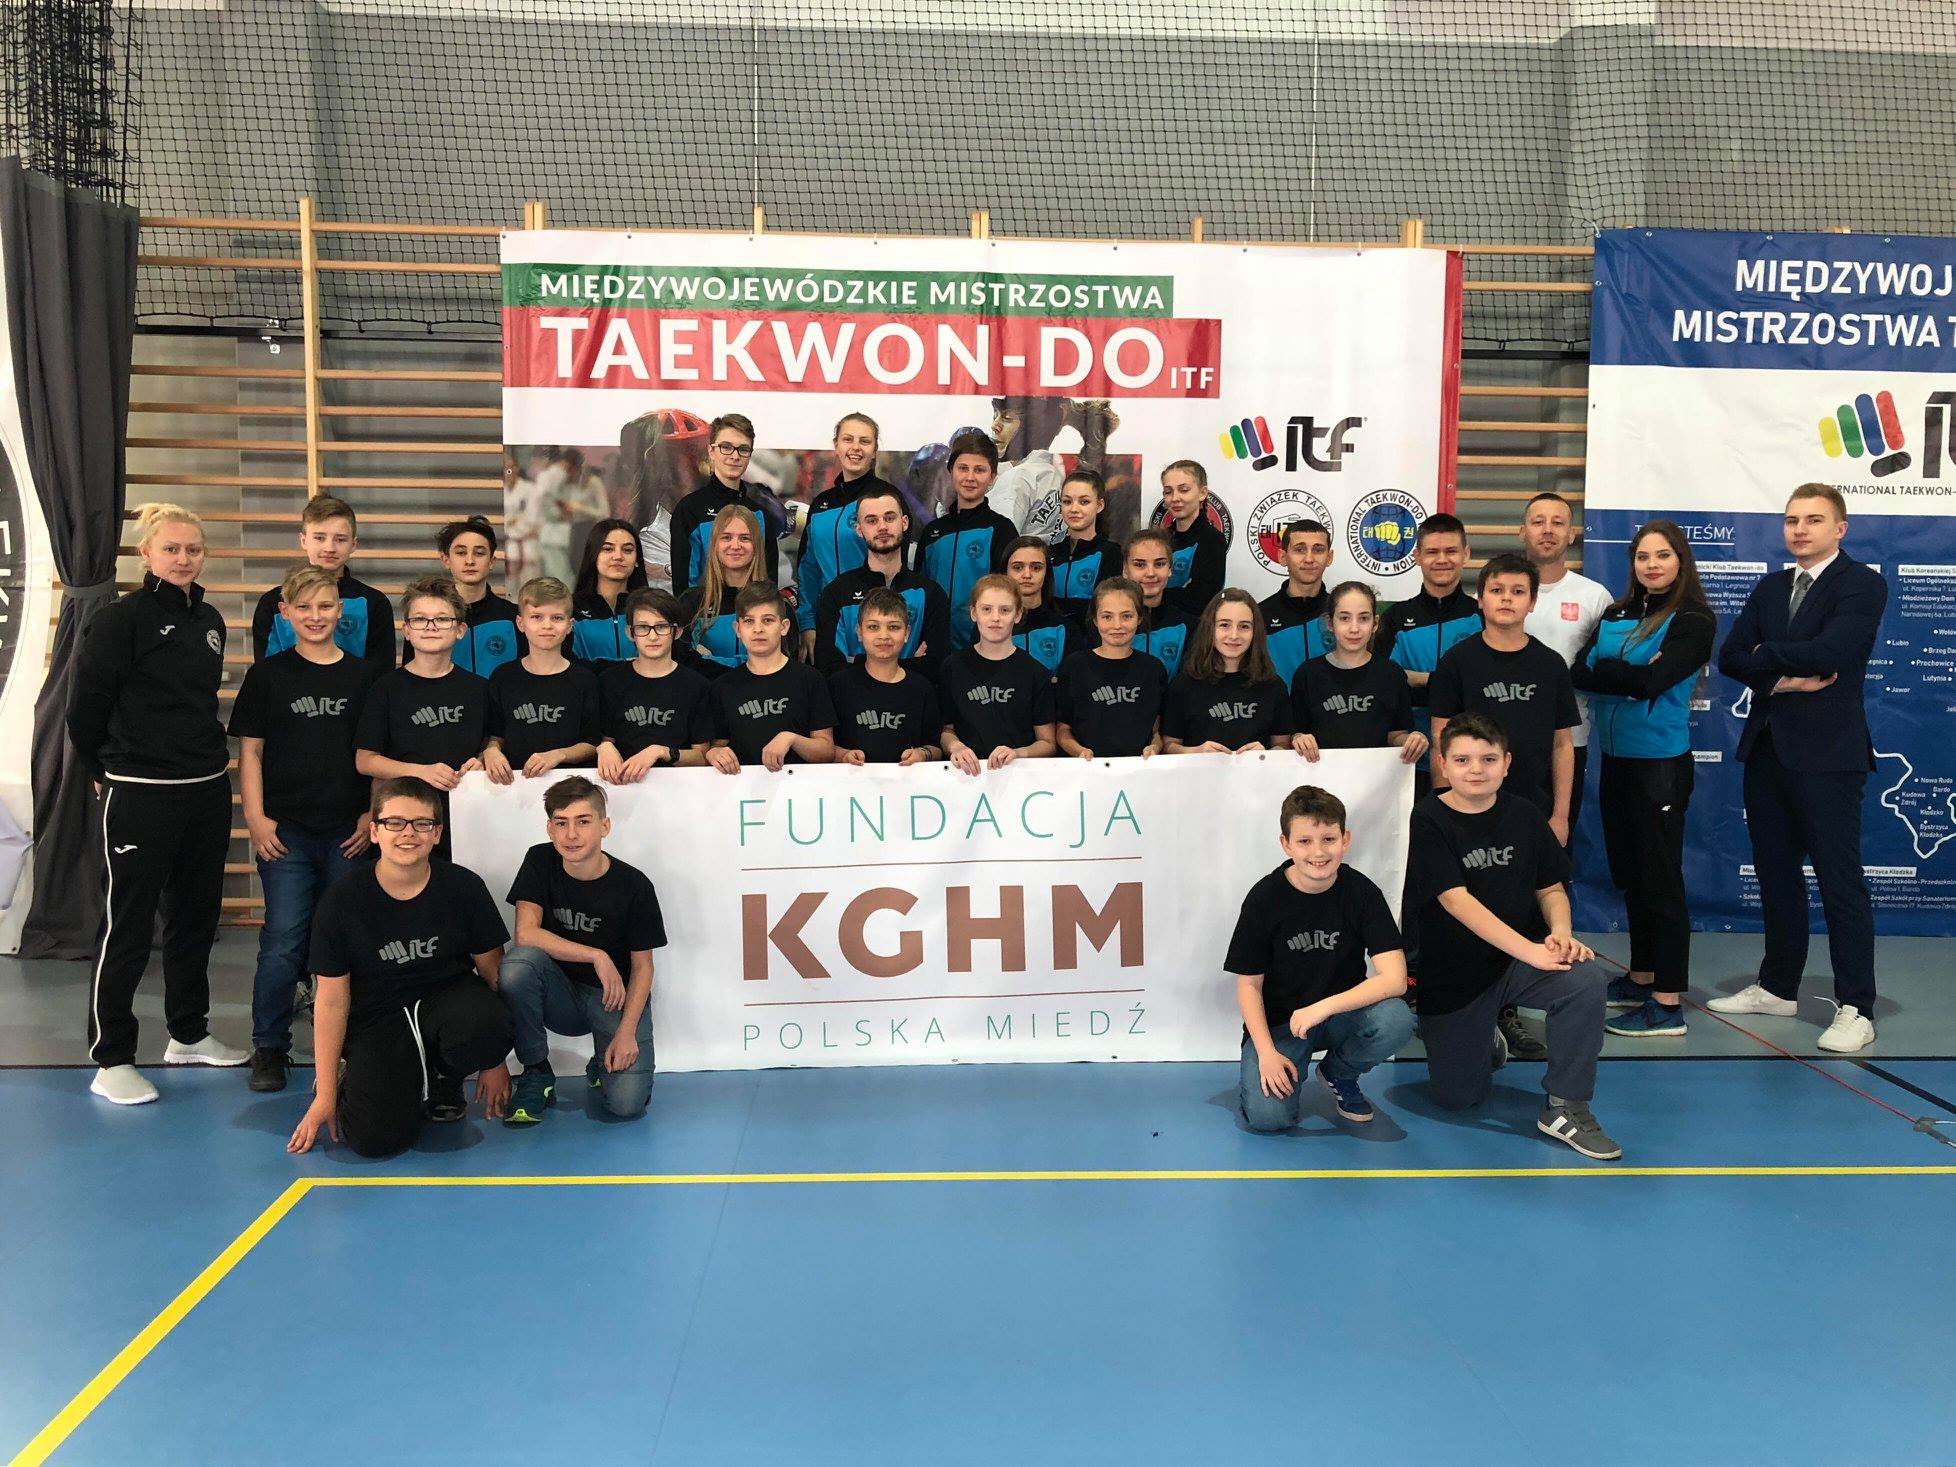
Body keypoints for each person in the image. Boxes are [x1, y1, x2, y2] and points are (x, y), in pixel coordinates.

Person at [69, 503, 247, 1104]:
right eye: (171, 548)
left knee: (196, 919)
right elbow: (84, 711)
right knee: (127, 924)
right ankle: (111, 1057)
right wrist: (104, 770)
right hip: (140, 793)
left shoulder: (211, 619)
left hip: (205, 789)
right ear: (145, 553)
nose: (183, 558)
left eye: (193, 549)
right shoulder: (119, 621)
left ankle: (188, 1034)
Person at [1712, 483, 1888, 1052]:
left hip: (1829, 756)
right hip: (1768, 750)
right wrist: (1781, 679)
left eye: (1813, 519)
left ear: (1840, 528)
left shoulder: (1861, 583)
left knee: (1840, 882)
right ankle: (1777, 987)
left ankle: (1857, 1007)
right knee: (1776, 875)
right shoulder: (1770, 587)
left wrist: (1765, 655)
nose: (1800, 529)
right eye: (1792, 520)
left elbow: (1833, 652)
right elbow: (1730, 657)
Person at [1407, 714, 1619, 1160]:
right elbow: (1455, 901)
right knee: (1458, 1098)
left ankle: (1565, 1106)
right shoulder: (1427, 817)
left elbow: (1551, 888)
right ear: (1442, 764)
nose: (1476, 769)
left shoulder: (1523, 813)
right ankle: (1482, 1036)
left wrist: (1560, 934)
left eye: (1488, 759)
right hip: (1455, 977)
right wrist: (1531, 951)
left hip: (1517, 965)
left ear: (1506, 763)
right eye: (1462, 759)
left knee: (1584, 980)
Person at [287, 777, 514, 1158]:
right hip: (379, 1018)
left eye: (421, 823)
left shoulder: (464, 888)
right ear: (375, 832)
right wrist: (324, 1095)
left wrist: (494, 1058)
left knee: (484, 1022)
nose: (408, 833)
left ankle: (443, 1079)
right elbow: (331, 1001)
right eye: (395, 823)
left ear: (437, 833)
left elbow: (494, 974)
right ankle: (355, 1077)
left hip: (447, 1007)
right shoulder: (341, 901)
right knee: (375, 1141)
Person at [228, 565, 382, 1093]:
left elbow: (376, 755)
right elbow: (250, 752)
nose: (316, 616)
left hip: (349, 833)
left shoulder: (365, 677)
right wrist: (255, 817)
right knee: (284, 940)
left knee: (349, 938)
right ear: (285, 614)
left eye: (325, 606)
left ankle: (351, 1043)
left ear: (341, 611)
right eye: (304, 608)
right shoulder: (268, 676)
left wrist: (371, 814)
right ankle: (269, 1046)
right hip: (287, 833)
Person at [1571, 521, 1716, 1039]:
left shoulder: (1693, 619)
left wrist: (1616, 673)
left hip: (1660, 766)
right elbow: (1578, 672)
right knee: (1632, 875)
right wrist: (1628, 676)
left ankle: (1668, 1002)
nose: (1652, 565)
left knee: (1660, 880)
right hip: (1616, 760)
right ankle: (1642, 976)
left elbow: (1653, 681)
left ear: (1681, 561)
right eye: (1642, 557)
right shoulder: (1617, 613)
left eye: (1663, 555)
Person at [1228, 784, 1416, 1128]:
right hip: (1283, 1025)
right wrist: (1267, 1053)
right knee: (1269, 1119)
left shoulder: (1362, 893)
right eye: (1304, 841)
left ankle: (1339, 1073)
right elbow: (1248, 986)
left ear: (1345, 839)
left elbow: (1395, 979)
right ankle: (1274, 1069)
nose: (1318, 852)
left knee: (1397, 1019)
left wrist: (1323, 1007)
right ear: (1286, 844)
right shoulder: (1264, 899)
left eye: (1328, 839)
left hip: (1341, 1015)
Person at [500, 777, 665, 1126]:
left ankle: (600, 1061)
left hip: (610, 999)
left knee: (626, 1104)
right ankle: (537, 1071)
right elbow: (526, 934)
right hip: (557, 993)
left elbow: (643, 967)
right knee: (517, 965)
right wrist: (595, 955)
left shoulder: (634, 885)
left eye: (583, 821)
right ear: (550, 828)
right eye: (561, 823)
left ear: (605, 826)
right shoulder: (539, 860)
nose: (571, 834)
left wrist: (626, 1033)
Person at [1430, 554, 1581, 840]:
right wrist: (1445, 808)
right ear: (1480, 599)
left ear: (1533, 602)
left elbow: (1562, 744)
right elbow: (1440, 738)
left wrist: (1560, 816)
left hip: (1536, 806)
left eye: (1518, 591)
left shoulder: (1551, 664)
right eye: (1497, 590)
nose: (1507, 598)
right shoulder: (1456, 662)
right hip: (1469, 805)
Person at [1519, 492, 1612, 838]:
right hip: (1504, 739)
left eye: (1557, 523)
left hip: (1569, 741)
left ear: (1571, 535)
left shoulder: (1595, 596)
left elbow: (1604, 668)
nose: (1547, 530)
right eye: (1538, 522)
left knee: (1557, 841)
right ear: (1522, 532)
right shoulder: (1501, 591)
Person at [355, 576, 490, 809]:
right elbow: (365, 760)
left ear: (460, 630)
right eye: (420, 619)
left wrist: (482, 761)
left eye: (442, 619)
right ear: (407, 630)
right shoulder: (386, 688)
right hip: (407, 811)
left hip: (467, 810)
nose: (430, 626)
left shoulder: (479, 688)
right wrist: (421, 772)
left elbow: (493, 744)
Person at [1377, 512, 1481, 762]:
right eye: (1433, 552)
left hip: (1472, 758)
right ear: (1417, 556)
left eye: (1451, 551)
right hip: (1410, 758)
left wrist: (1420, 679)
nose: (1442, 560)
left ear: (1466, 554)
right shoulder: (1396, 618)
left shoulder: (1482, 616)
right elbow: (1383, 680)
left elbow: (1484, 683)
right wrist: (1449, 683)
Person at [813, 485, 949, 673]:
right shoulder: (836, 594)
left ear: (904, 522)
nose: (882, 526)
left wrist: (855, 661)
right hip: (854, 694)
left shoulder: (931, 594)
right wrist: (907, 664)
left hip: (912, 693)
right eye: (871, 521)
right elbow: (829, 667)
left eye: (889, 518)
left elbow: (935, 666)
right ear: (859, 529)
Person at [1290, 581, 1426, 767]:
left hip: (1375, 778)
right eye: (1344, 618)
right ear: (1330, 623)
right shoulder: (1308, 674)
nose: (1354, 628)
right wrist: (1299, 739)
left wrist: (1412, 740)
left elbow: (1396, 735)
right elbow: (1296, 733)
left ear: (1375, 623)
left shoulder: (1391, 674)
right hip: (1321, 778)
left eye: (1363, 618)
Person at [250, 495, 396, 663]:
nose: (329, 548)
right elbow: (266, 671)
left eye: (340, 539)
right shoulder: (272, 603)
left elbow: (381, 672)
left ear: (353, 544)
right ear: (303, 540)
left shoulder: (374, 603)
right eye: (319, 538)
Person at [707, 583, 837, 772]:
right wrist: (714, 753)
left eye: (767, 620)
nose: (758, 629)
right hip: (743, 788)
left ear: (784, 627)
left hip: (799, 787)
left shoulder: (810, 679)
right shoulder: (723, 687)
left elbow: (826, 751)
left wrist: (791, 739)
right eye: (749, 621)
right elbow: (718, 746)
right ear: (737, 629)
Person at [483, 577, 602, 783]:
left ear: (570, 625)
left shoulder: (585, 680)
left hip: (570, 788)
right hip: (514, 788)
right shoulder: (502, 677)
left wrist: (559, 754)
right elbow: (496, 735)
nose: (547, 625)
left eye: (557, 618)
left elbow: (592, 744)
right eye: (537, 617)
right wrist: (491, 751)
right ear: (521, 623)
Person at [938, 575, 1059, 774]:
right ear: (974, 613)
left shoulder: (1035, 672)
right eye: (987, 609)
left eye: (1005, 610)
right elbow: (946, 729)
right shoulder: (953, 667)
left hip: (1017, 778)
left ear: (1018, 614)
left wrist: (1017, 753)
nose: (995, 618)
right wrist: (956, 747)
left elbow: (1047, 743)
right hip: (965, 778)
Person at [797, 412, 892, 658]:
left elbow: (896, 568)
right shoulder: (821, 504)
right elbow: (809, 568)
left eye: (864, 441)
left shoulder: (888, 499)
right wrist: (807, 622)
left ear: (875, 450)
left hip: (876, 623)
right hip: (827, 623)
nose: (855, 448)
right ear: (836, 445)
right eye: (848, 439)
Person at [596, 588, 714, 781]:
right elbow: (604, 740)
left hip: (679, 786)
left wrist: (660, 751)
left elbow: (702, 756)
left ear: (677, 632)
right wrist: (604, 747)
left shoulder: (696, 685)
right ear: (630, 632)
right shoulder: (609, 681)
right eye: (643, 627)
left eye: (662, 626)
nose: (652, 636)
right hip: (622, 786)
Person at [915, 429, 1018, 649]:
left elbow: (1010, 595)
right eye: (963, 468)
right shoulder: (933, 532)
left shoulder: (1002, 530)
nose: (970, 477)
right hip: (934, 649)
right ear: (950, 471)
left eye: (979, 470)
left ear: (992, 477)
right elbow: (919, 592)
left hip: (984, 650)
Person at [668, 413, 787, 599]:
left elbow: (769, 583)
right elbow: (684, 589)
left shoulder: (761, 512)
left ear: (750, 455)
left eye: (743, 449)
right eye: (726, 447)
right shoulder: (690, 509)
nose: (735, 456)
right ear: (711, 451)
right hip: (704, 615)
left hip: (752, 614)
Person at [1161, 589, 1295, 754]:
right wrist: (1196, 752)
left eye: (1244, 626)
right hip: (1199, 771)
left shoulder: (1274, 685)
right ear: (1210, 628)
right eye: (1224, 625)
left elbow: (1282, 744)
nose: (1234, 635)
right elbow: (1169, 745)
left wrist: (1267, 753)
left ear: (1255, 632)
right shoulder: (1183, 685)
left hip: (1257, 771)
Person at [830, 588, 944, 765]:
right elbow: (823, 745)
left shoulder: (922, 688)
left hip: (907, 781)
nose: (884, 636)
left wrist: (922, 754)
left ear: (906, 633)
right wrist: (843, 755)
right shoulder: (838, 685)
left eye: (893, 627)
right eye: (873, 627)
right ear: (859, 632)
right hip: (852, 781)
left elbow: (936, 748)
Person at [1057, 578, 1167, 759]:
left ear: (1139, 618)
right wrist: (1079, 751)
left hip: (1139, 770)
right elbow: (1063, 729)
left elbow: (1156, 731)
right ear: (1095, 619)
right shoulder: (1074, 666)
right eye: (1107, 617)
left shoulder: (1153, 669)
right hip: (1087, 769)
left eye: (1126, 616)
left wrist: (1154, 747)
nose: (1117, 625)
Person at [680, 504, 765, 676]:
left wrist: (709, 659)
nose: (735, 545)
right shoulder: (691, 602)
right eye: (726, 537)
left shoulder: (774, 603)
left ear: (756, 545)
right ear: (714, 545)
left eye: (745, 538)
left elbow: (776, 664)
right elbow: (682, 664)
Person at [435, 516, 525, 677]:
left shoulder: (514, 617)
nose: (470, 561)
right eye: (461, 553)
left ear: (492, 561)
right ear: (446, 560)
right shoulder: (429, 619)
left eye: (479, 553)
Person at [1261, 519, 1335, 689]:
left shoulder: (1341, 613)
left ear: (1329, 557)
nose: (1309, 559)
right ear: (1283, 557)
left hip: (1334, 706)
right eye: (1299, 550)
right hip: (1279, 706)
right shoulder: (1260, 615)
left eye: (1318, 550)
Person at [1111, 529, 1193, 677]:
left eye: (1159, 564)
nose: (1150, 573)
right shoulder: (1107, 624)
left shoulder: (1188, 626)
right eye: (1140, 565)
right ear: (1125, 569)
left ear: (1170, 568)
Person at [1047, 468, 1123, 622]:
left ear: (1100, 505)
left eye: (1084, 502)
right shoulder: (1049, 553)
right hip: (1055, 635)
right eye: (1067, 501)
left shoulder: (1110, 553)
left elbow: (1107, 608)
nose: (1074, 509)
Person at [570, 517, 647, 664]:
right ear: (593, 556)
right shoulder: (571, 608)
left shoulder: (652, 608)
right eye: (607, 549)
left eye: (627, 550)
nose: (618, 556)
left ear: (637, 559)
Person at [1158, 459, 1227, 617]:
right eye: (1168, 492)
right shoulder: (1160, 540)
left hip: (1194, 627)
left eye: (1184, 490)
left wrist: (1159, 592)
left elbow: (1200, 599)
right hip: (1157, 626)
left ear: (1202, 493)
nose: (1175, 498)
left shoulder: (1213, 540)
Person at [1003, 535, 1079, 673]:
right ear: (1005, 572)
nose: (1027, 575)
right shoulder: (988, 628)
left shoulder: (1066, 630)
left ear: (1047, 572)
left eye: (1036, 568)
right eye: (1018, 567)